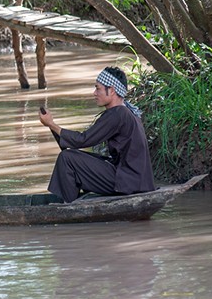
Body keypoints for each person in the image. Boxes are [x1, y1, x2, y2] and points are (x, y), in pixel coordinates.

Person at [38, 66, 155, 202]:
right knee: (72, 155)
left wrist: (51, 124)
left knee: (67, 158)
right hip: (134, 178)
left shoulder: (118, 114)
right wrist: (52, 126)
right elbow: (79, 143)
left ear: (111, 90)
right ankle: (71, 203)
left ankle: (70, 207)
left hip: (129, 181)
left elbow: (82, 140)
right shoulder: (125, 111)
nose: (94, 93)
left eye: (98, 88)